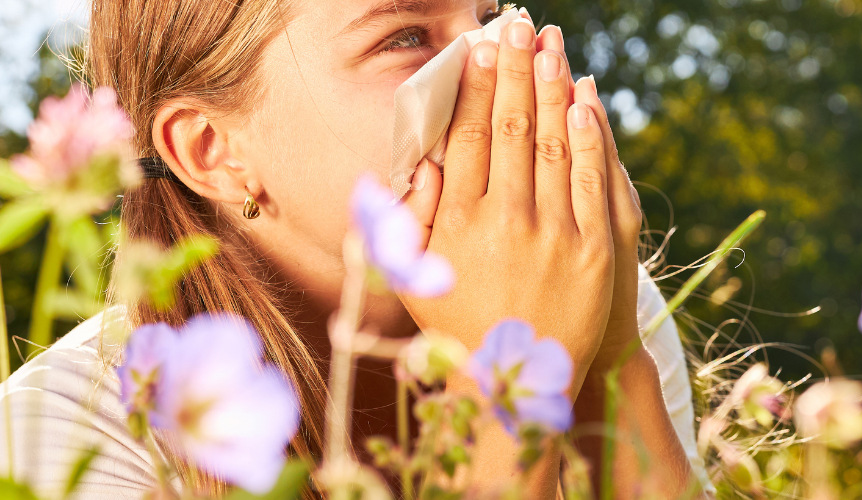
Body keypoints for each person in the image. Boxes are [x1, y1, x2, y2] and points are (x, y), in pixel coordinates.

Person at [0, 0, 713, 498]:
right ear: (213, 151)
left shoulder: (582, 299)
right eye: (404, 36)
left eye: (488, 18)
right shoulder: (56, 445)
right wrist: (504, 377)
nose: (498, 62)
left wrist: (614, 366)